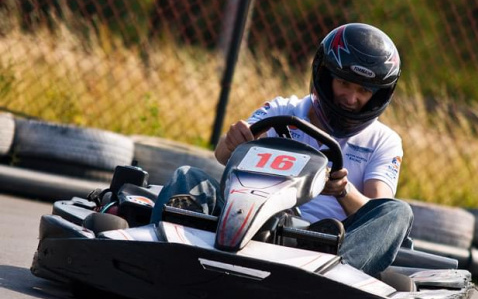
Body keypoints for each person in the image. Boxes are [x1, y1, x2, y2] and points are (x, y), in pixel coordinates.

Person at [151, 23, 413, 277]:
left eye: (363, 90)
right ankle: (164, 254)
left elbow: (378, 209)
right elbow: (222, 155)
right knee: (188, 177)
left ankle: (329, 278)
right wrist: (233, 140)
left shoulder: (383, 141)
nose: (351, 98)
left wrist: (343, 190)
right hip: (252, 217)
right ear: (325, 76)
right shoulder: (282, 111)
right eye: (344, 83)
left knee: (397, 213)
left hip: (324, 242)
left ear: (378, 95)